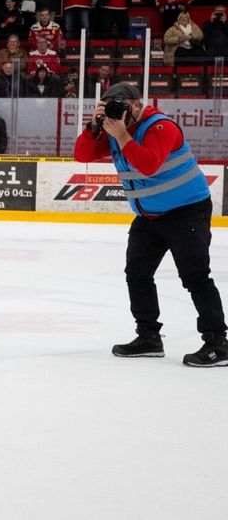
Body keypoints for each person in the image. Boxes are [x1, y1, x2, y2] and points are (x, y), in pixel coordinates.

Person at [73, 82, 226, 366]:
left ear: (136, 105)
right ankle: (148, 337)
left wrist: (121, 136)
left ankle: (218, 342)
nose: (117, 115)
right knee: (137, 273)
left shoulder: (160, 127)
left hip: (187, 211)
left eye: (120, 108)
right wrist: (92, 128)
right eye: (110, 109)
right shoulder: (113, 129)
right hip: (150, 215)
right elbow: (82, 155)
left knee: (195, 276)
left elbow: (148, 164)